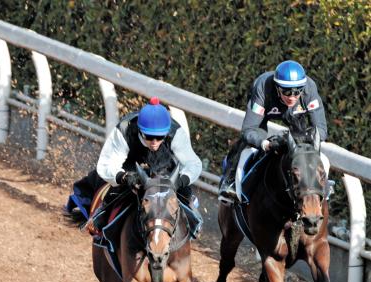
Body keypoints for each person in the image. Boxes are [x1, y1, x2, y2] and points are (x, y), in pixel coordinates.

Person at [69, 97, 202, 234]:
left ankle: (194, 221)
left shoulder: (176, 132)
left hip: (165, 168)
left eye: (160, 137)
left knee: (187, 195)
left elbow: (193, 164)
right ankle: (99, 218)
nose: (154, 142)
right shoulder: (125, 129)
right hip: (131, 167)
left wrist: (180, 181)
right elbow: (106, 164)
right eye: (149, 137)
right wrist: (123, 177)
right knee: (115, 192)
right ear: (140, 130)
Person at [219, 60, 329, 200]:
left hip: (296, 115)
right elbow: (248, 130)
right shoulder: (262, 88)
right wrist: (264, 143)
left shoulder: (309, 89)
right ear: (277, 88)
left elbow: (321, 130)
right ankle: (231, 183)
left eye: (297, 91)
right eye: (287, 91)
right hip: (265, 110)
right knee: (250, 146)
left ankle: (324, 186)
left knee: (311, 149)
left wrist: (303, 140)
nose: (292, 97)